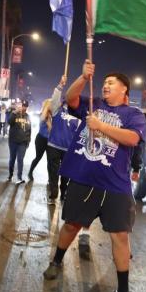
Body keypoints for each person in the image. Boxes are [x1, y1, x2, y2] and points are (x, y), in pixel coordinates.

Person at [43, 60, 146, 292]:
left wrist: (101, 126)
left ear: (124, 89)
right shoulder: (93, 104)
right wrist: (83, 77)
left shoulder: (134, 115)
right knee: (71, 225)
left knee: (120, 236)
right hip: (85, 179)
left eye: (111, 83)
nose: (105, 86)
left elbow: (132, 138)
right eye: (104, 82)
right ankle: (56, 261)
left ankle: (123, 291)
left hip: (116, 186)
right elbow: (71, 97)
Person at [45, 75, 81, 204]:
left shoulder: (79, 114)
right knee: (53, 172)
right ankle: (53, 194)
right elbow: (54, 100)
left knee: (66, 173)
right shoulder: (56, 110)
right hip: (53, 145)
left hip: (68, 149)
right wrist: (60, 85)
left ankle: (64, 193)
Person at [6, 100, 32, 184]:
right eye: (22, 105)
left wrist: (28, 141)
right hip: (13, 141)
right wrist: (15, 112)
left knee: (20, 159)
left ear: (27, 107)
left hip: (23, 142)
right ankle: (10, 175)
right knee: (12, 159)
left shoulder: (28, 117)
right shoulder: (14, 114)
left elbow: (29, 130)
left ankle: (19, 177)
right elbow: (9, 122)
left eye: (25, 106)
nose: (23, 107)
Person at [27, 98, 51, 182]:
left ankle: (50, 178)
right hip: (41, 139)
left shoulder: (54, 115)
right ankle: (30, 172)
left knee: (50, 160)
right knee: (38, 157)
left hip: (50, 141)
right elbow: (49, 128)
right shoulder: (43, 114)